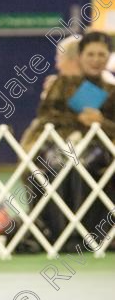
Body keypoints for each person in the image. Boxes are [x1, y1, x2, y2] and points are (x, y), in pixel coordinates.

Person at [21, 31, 115, 248]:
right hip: (59, 144)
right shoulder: (61, 84)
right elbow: (45, 118)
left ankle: (87, 234)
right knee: (52, 167)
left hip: (101, 147)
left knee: (84, 166)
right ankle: (55, 233)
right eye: (90, 54)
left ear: (108, 57)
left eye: (102, 54)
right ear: (80, 56)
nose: (96, 59)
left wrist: (101, 121)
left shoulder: (111, 89)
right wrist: (78, 118)